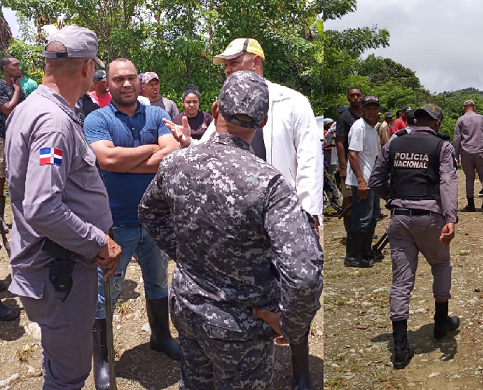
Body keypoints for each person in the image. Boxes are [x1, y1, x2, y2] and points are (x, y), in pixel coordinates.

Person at [139, 71, 323, 389]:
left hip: (189, 308)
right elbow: (304, 273)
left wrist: (184, 255)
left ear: (214, 110)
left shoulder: (176, 164)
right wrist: (290, 325)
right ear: (262, 122)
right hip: (243, 326)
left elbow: (149, 213)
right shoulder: (269, 183)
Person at [5, 25, 122, 388]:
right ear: (88, 68)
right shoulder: (53, 122)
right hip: (61, 272)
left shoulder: (33, 108)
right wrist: (97, 241)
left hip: (59, 266)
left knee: (59, 365)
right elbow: (43, 207)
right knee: (69, 377)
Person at [83, 58, 181, 387]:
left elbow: (170, 154)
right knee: (104, 293)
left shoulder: (157, 114)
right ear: (107, 84)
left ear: (139, 82)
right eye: (118, 79)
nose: (126, 84)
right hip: (114, 222)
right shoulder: (96, 118)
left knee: (158, 282)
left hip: (155, 219)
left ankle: (161, 337)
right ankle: (104, 361)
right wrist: (151, 149)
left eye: (131, 78)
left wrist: (126, 162)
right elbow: (106, 159)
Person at [164, 38, 323, 231]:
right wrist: (188, 141)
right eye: (225, 65)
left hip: (282, 211)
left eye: (234, 63)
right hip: (238, 214)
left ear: (256, 62)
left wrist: (309, 212)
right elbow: (212, 149)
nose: (227, 70)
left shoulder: (292, 102)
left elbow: (310, 159)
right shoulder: (226, 106)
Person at [369, 103, 459, 370]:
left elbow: (375, 181)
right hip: (431, 217)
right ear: (437, 124)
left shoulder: (394, 144)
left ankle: (399, 349)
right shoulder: (442, 147)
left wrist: (395, 199)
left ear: (413, 120)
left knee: (401, 282)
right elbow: (447, 182)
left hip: (399, 219)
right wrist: (451, 218)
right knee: (441, 264)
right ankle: (441, 322)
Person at [345, 95, 382, 268]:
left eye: (375, 108)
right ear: (362, 110)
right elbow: (352, 154)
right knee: (362, 218)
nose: (372, 111)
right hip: (362, 181)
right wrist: (361, 180)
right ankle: (352, 256)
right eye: (368, 108)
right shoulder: (359, 127)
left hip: (371, 180)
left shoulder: (372, 129)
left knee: (373, 216)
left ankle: (365, 251)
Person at [454, 100, 483, 214]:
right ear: (474, 107)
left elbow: (457, 139)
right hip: (481, 151)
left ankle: (471, 204)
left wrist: (456, 155)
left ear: (464, 108)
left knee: (469, 177)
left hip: (466, 152)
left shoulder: (461, 120)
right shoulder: (481, 118)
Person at [0, 55, 26, 224]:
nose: (19, 68)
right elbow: (8, 110)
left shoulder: (20, 89)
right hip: (3, 138)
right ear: (5, 68)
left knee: (17, 176)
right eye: (15, 65)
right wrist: (16, 90)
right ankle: (1, 219)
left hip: (18, 138)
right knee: (1, 179)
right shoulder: (1, 87)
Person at [334, 88, 363, 233]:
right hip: (349, 160)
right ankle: (350, 231)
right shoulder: (344, 118)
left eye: (358, 95)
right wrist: (343, 166)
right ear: (348, 98)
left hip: (365, 161)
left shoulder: (367, 115)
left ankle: (363, 229)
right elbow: (339, 142)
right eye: (353, 96)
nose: (356, 98)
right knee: (349, 197)